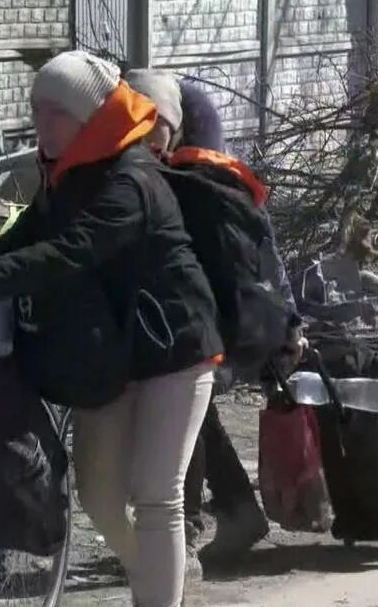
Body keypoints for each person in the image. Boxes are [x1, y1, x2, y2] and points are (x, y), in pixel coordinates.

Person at [0, 50, 222, 607]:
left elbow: (68, 253)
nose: (39, 122)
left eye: (52, 111)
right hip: (109, 360)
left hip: (177, 351)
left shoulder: (129, 180)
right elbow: (24, 234)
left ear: (87, 116)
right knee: (97, 494)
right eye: (34, 109)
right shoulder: (64, 172)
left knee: (156, 493)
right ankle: (158, 591)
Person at [125, 70, 304, 563]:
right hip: (191, 324)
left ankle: (185, 525)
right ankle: (233, 511)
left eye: (153, 125)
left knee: (187, 399)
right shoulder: (153, 176)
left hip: (226, 326)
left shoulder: (202, 180)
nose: (143, 135)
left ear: (175, 126)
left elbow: (261, 255)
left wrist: (290, 320)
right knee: (193, 409)